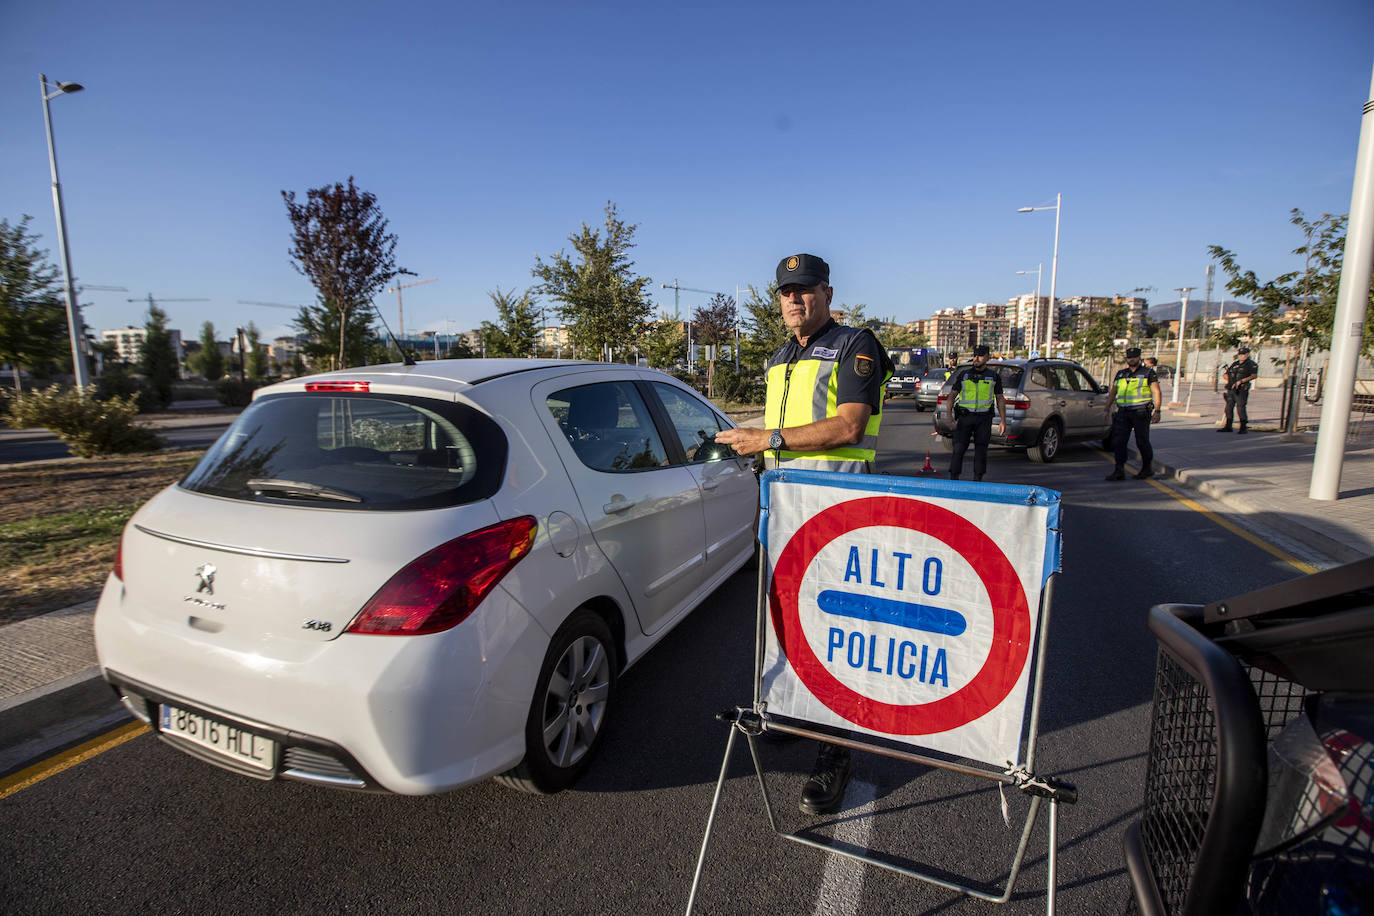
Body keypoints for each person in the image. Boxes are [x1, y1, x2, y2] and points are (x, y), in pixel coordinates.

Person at [716, 252, 892, 816]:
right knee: (792, 624)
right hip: (788, 511)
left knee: (838, 630)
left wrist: (768, 438)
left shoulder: (854, 344)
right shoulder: (779, 357)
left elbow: (848, 425)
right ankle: (801, 714)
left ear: (827, 292)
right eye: (786, 292)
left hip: (838, 509)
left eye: (805, 289)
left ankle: (836, 752)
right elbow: (779, 443)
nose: (795, 299)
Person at [945, 345, 1006, 482]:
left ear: (987, 358)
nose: (976, 358)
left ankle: (977, 480)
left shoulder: (993, 376)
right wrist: (949, 417)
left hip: (984, 419)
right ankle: (953, 479)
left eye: (979, 356)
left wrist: (1003, 420)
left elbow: (1000, 399)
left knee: (981, 450)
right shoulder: (964, 375)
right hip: (965, 417)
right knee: (959, 449)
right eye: (975, 355)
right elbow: (951, 396)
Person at [1104, 346, 1162, 480]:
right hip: (1123, 412)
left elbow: (1156, 392)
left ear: (1139, 358)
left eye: (1134, 357)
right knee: (1119, 442)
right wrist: (1107, 407)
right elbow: (1114, 392)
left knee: (1142, 441)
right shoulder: (1121, 373)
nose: (1131, 360)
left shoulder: (1148, 373)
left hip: (1141, 412)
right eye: (1129, 357)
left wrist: (1157, 411)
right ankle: (1119, 470)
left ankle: (1147, 469)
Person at [1219, 346, 1259, 434]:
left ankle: (1243, 427)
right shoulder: (1235, 364)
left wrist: (1241, 381)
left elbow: (1254, 375)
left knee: (1240, 407)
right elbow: (1227, 374)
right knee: (1228, 407)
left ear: (1247, 354)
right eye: (1240, 354)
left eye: (1243, 354)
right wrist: (1228, 378)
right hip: (1231, 388)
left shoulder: (1251, 364)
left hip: (1241, 389)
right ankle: (1228, 426)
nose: (1241, 356)